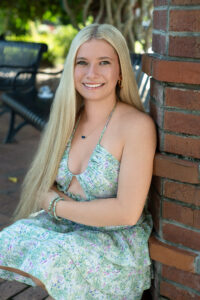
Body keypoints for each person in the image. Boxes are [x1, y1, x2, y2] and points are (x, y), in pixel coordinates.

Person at [0, 24, 156, 300]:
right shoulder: (67, 118)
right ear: (71, 69)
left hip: (113, 243)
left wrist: (56, 204)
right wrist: (56, 206)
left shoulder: (136, 125)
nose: (91, 73)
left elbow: (126, 213)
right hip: (66, 229)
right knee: (6, 242)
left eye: (104, 62)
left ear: (120, 71)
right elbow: (40, 186)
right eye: (82, 62)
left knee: (50, 258)